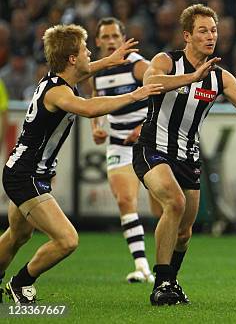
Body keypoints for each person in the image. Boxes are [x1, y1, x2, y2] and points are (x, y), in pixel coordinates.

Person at [133, 4, 236, 306]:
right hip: (153, 149)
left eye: (214, 30)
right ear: (187, 35)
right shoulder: (167, 61)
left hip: (188, 156)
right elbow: (150, 83)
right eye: (203, 30)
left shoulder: (220, 78)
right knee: (173, 204)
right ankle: (161, 282)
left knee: (186, 232)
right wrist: (191, 78)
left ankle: (171, 281)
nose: (210, 35)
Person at [0, 24, 162, 304]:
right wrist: (134, 95)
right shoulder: (58, 93)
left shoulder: (59, 79)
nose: (90, 53)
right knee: (67, 240)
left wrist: (110, 61)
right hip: (26, 176)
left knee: (17, 235)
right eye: (86, 49)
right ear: (72, 58)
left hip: (24, 171)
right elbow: (89, 109)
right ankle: (21, 282)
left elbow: (86, 70)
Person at [90, 17, 161, 284]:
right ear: (97, 42)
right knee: (124, 201)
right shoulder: (96, 71)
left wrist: (145, 126)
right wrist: (96, 128)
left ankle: (165, 264)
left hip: (148, 144)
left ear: (123, 39)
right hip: (118, 144)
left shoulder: (138, 65)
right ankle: (142, 267)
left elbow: (163, 94)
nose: (110, 42)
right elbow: (95, 103)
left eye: (114, 37)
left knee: (161, 208)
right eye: (105, 37)